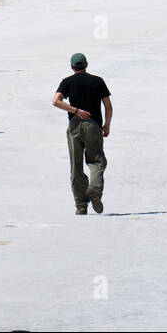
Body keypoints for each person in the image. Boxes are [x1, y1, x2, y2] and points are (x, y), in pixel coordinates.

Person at [52, 52, 112, 215]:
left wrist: (75, 111)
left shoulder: (67, 82)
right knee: (97, 161)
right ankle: (94, 190)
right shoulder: (97, 81)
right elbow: (108, 106)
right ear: (86, 65)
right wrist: (106, 125)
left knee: (76, 165)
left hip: (74, 126)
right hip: (93, 126)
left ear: (72, 67)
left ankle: (80, 205)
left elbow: (56, 101)